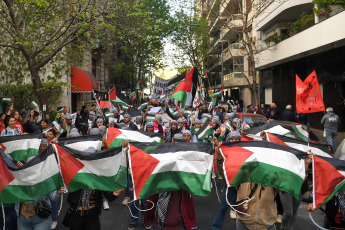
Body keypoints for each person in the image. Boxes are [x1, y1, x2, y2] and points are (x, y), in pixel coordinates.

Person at [212, 131, 242, 230]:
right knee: (223, 208)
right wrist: (219, 156)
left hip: (242, 184)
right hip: (229, 183)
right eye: (231, 139)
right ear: (228, 140)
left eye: (236, 139)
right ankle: (215, 227)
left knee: (241, 210)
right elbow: (221, 171)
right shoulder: (224, 151)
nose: (234, 141)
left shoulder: (244, 152)